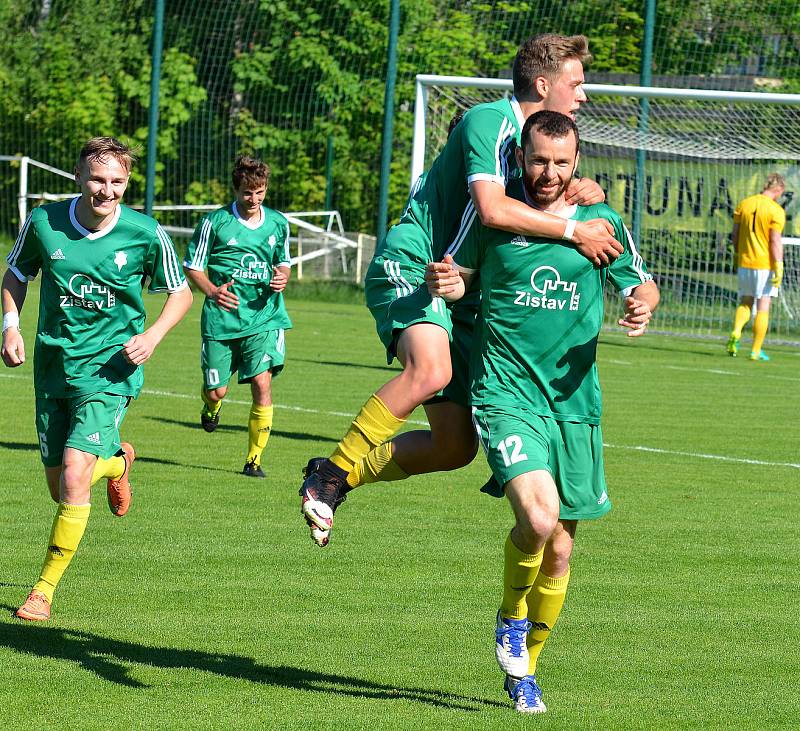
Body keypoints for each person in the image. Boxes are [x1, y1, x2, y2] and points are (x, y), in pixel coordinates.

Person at [300, 34, 624, 547]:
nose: (583, 95)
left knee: (454, 448)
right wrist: (574, 231)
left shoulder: (537, 148)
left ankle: (342, 473)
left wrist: (585, 192)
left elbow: (547, 198)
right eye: (576, 83)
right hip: (416, 265)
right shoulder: (488, 121)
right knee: (431, 370)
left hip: (462, 294)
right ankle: (330, 477)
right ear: (543, 84)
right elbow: (493, 210)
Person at [426, 111, 659, 713]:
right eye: (538, 160)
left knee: (560, 548)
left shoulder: (601, 221)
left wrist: (641, 304)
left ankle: (526, 668)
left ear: (576, 162)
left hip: (576, 403)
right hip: (507, 394)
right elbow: (459, 270)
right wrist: (452, 282)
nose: (549, 173)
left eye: (561, 162)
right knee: (537, 516)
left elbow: (641, 282)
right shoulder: (495, 214)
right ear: (520, 158)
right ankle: (509, 616)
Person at [2, 136, 192, 621]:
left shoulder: (145, 232)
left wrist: (152, 336)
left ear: (126, 184)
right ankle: (117, 465)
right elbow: (16, 275)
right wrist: (11, 326)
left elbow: (180, 294)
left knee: (71, 475)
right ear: (77, 178)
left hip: (112, 371)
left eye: (117, 182)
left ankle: (43, 590)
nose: (106, 191)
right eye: (97, 179)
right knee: (61, 488)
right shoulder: (44, 222)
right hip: (52, 367)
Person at [183, 156, 292, 478]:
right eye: (248, 193)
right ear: (236, 189)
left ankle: (254, 460)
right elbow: (193, 266)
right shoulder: (214, 223)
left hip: (264, 317)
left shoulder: (278, 223)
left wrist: (283, 276)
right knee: (217, 390)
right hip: (222, 319)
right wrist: (212, 290)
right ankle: (211, 406)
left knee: (262, 383)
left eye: (260, 192)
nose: (254, 199)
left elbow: (283, 261)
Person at [726, 173, 785, 361]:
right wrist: (779, 265)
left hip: (744, 261)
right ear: (778, 190)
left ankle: (736, 331)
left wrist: (737, 253)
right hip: (764, 264)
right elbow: (775, 240)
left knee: (745, 301)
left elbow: (735, 234)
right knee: (763, 305)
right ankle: (756, 350)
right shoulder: (775, 210)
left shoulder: (745, 203)